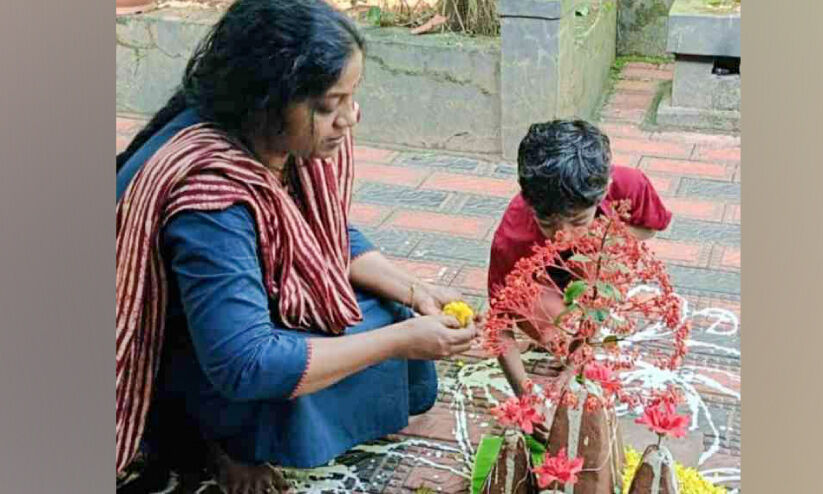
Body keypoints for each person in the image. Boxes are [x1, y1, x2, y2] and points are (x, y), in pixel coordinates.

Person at [115, 1, 477, 492]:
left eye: (353, 97)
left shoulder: (277, 141)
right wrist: (400, 343)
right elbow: (246, 363)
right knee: (373, 336)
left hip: (232, 318)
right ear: (268, 99)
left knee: (388, 308)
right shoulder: (211, 198)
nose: (349, 118)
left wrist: (414, 290)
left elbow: (326, 236)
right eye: (330, 105)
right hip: (193, 357)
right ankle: (210, 440)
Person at [486, 120, 672, 439]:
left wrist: (604, 240)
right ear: (528, 203)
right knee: (552, 328)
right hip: (541, 276)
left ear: (605, 189)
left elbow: (649, 228)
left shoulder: (629, 185)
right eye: (547, 223)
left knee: (607, 265)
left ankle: (578, 353)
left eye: (577, 220)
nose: (564, 236)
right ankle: (563, 337)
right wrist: (526, 393)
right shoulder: (512, 238)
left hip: (599, 260)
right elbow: (499, 325)